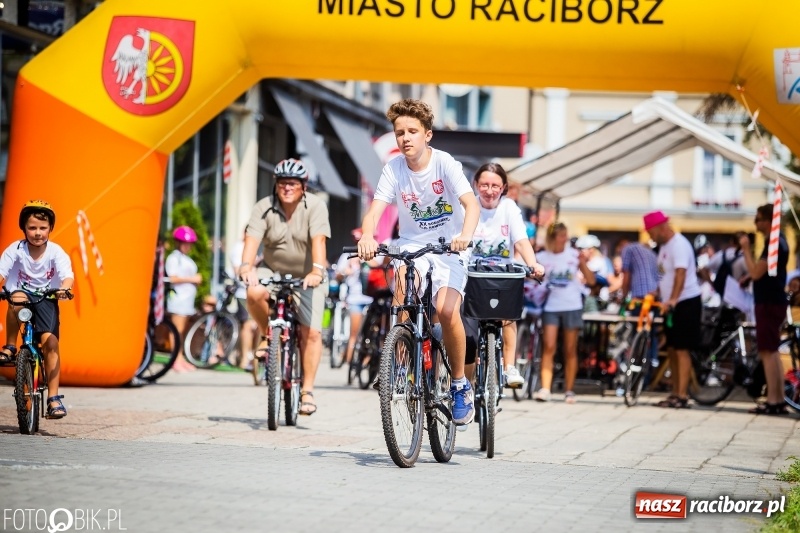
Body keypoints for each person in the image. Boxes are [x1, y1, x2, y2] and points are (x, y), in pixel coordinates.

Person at [356, 98, 480, 426]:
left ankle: (458, 384)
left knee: (447, 309)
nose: (405, 138)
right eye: (400, 132)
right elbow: (374, 213)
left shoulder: (445, 164)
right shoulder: (393, 169)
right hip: (412, 245)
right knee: (402, 303)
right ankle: (400, 369)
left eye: (412, 131)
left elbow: (472, 206)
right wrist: (368, 237)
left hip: (450, 246)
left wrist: (465, 236)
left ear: (428, 135)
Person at [239, 158, 330, 416]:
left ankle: (307, 391)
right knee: (254, 292)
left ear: (303, 186)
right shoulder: (263, 207)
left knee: (311, 333)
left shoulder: (315, 206)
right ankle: (268, 335)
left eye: (292, 183)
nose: (287, 187)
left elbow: (319, 242)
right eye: (282, 183)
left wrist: (317, 271)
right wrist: (246, 267)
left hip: (307, 274)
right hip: (272, 269)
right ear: (275, 185)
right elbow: (251, 240)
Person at [465, 162, 545, 389]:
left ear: (503, 188)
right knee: (466, 326)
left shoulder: (509, 208)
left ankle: (509, 366)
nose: (489, 190)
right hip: (473, 274)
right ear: (476, 185)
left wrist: (533, 264)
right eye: (484, 185)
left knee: (507, 314)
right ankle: (464, 382)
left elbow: (520, 240)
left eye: (495, 186)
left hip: (502, 274)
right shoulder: (469, 206)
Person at [0, 200, 74, 419]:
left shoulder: (55, 251)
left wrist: (65, 289)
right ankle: (11, 346)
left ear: (50, 228)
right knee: (17, 298)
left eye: (43, 228)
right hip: (20, 296)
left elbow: (67, 275)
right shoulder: (15, 249)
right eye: (32, 228)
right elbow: (2, 272)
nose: (37, 233)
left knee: (51, 342)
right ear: (24, 228)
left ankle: (53, 398)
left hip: (46, 298)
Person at [644, 210, 702, 409]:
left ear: (661, 228)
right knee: (671, 348)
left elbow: (680, 274)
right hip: (670, 303)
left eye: (651, 233)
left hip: (685, 301)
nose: (650, 237)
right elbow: (662, 273)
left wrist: (674, 299)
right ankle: (675, 392)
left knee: (681, 349)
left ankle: (682, 394)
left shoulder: (679, 244)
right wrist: (657, 292)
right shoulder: (663, 248)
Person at [535, 222, 595, 403]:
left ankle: (569, 390)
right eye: (561, 236)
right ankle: (545, 388)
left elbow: (591, 281)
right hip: (551, 306)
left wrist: (582, 262)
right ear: (553, 238)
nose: (565, 239)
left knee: (570, 349)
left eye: (565, 235)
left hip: (572, 304)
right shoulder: (541, 256)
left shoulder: (573, 255)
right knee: (549, 347)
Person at [739, 203, 789, 415]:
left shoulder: (774, 242)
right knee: (772, 350)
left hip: (768, 302)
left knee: (767, 351)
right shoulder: (779, 241)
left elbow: (757, 272)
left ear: (768, 221)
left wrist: (745, 249)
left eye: (758, 219)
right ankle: (777, 399)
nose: (755, 223)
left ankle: (773, 400)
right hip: (773, 300)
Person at [165, 225, 203, 373]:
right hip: (178, 300)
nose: (188, 246)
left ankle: (180, 357)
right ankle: (175, 359)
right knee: (176, 330)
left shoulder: (185, 259)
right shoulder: (174, 258)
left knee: (182, 331)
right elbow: (173, 278)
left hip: (187, 300)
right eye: (186, 243)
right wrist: (193, 279)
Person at [335, 228, 374, 370]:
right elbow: (337, 275)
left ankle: (367, 361)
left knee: (373, 334)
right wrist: (346, 271)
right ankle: (349, 363)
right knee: (354, 333)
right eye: (357, 240)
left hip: (372, 299)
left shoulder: (374, 255)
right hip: (355, 298)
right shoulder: (348, 255)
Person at [229, 228, 260, 382]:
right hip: (243, 292)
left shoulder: (256, 247)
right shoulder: (239, 248)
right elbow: (237, 270)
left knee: (257, 326)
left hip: (256, 292)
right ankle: (244, 358)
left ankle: (253, 357)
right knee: (247, 325)